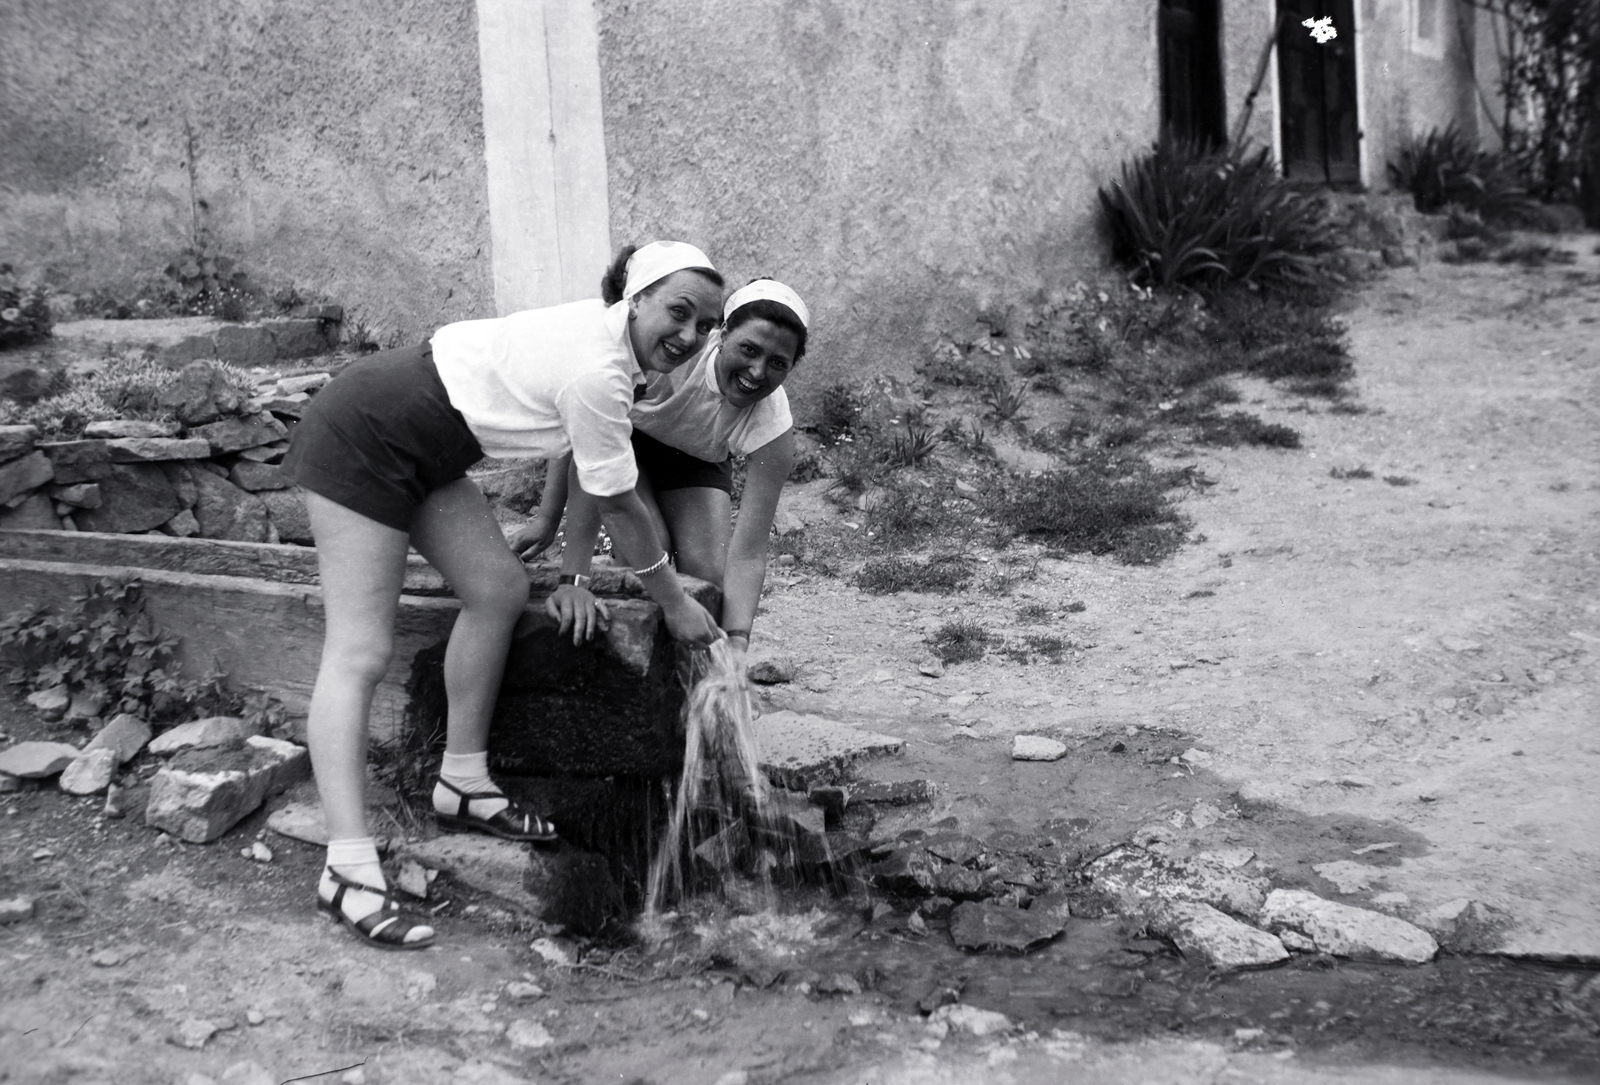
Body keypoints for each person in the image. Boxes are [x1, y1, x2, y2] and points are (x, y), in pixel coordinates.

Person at [279, 241, 726, 950]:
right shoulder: (600, 369)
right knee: (360, 649)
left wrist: (571, 563)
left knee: (498, 587)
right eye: (679, 312)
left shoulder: (613, 353)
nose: (691, 335)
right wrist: (672, 600)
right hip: (363, 430)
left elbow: (590, 459)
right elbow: (619, 503)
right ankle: (348, 863)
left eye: (708, 325)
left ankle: (461, 781)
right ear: (636, 298)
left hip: (426, 442)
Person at [520, 279, 809, 657]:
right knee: (647, 545)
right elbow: (581, 429)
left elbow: (749, 551)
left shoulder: (772, 423)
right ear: (721, 335)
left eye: (777, 364)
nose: (757, 372)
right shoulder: (671, 357)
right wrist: (546, 518)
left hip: (694, 460)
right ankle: (633, 659)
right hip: (627, 441)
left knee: (708, 576)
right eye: (749, 349)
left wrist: (738, 640)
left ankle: (699, 671)